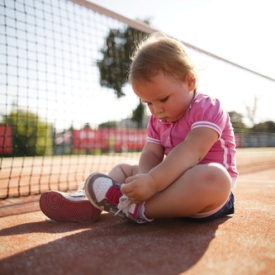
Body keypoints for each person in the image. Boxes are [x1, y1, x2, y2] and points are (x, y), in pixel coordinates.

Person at [40, 32, 238, 224]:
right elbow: (152, 152)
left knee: (216, 177)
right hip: (166, 182)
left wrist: (152, 181)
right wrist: (144, 175)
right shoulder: (157, 120)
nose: (156, 110)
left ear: (189, 81)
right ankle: (90, 201)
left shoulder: (208, 108)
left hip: (205, 198)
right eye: (148, 103)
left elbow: (191, 151)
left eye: (163, 99)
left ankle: (137, 209)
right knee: (124, 169)